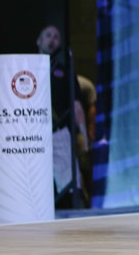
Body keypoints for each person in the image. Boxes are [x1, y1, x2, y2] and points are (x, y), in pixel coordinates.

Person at [36, 24, 92, 208]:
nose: (52, 40)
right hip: (32, 135)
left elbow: (76, 106)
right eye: (48, 35)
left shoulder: (65, 72)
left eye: (56, 37)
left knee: (69, 186)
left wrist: (84, 135)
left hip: (59, 134)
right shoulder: (26, 69)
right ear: (39, 41)